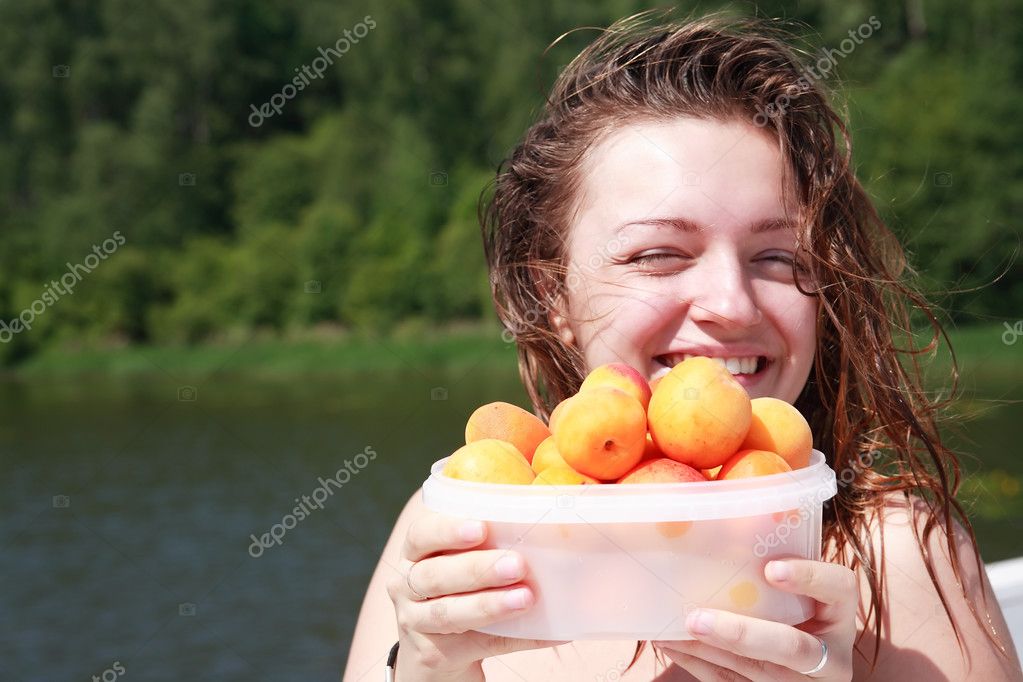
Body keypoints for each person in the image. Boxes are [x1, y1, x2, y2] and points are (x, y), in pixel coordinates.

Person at [344, 12, 1023, 681]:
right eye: (658, 253)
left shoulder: (894, 562)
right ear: (550, 294)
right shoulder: (459, 537)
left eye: (779, 258)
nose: (731, 304)